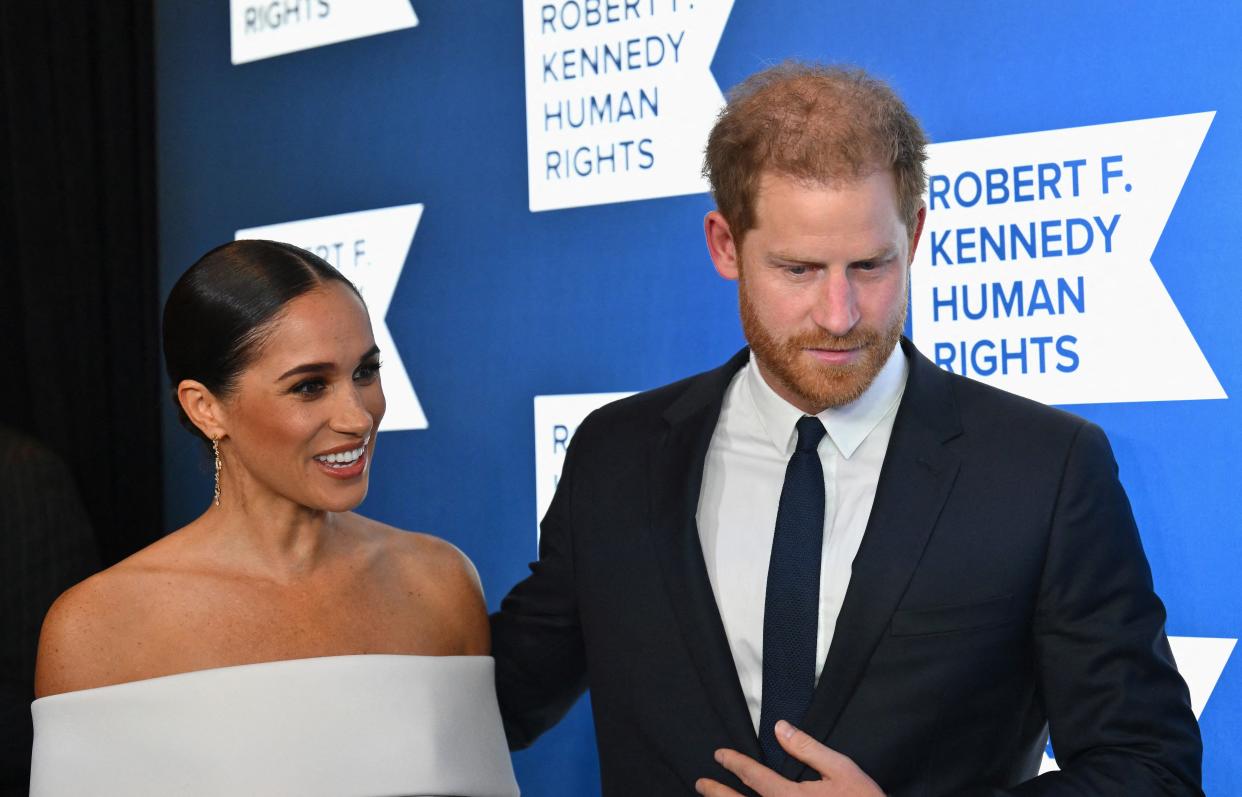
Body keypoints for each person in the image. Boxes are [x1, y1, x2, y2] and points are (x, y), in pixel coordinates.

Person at [490, 63, 1202, 795]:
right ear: (725, 244)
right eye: (798, 269)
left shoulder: (1044, 471)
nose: (840, 313)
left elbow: (1151, 768)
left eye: (870, 265)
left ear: (916, 233)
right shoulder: (615, 456)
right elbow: (495, 702)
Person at [29, 240, 518, 797]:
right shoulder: (97, 625)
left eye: (365, 371)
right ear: (205, 408)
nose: (358, 416)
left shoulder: (439, 582)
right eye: (310, 386)